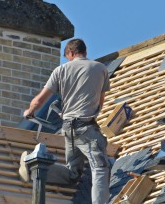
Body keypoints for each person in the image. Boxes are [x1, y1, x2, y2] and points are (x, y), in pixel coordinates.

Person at [20, 38, 111, 204]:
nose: (67, 59)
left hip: (68, 128)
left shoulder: (60, 70)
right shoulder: (100, 68)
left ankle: (33, 168)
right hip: (85, 128)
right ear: (84, 52)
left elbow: (40, 100)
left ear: (70, 52)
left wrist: (29, 111)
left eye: (67, 56)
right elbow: (100, 101)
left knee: (73, 173)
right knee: (100, 167)